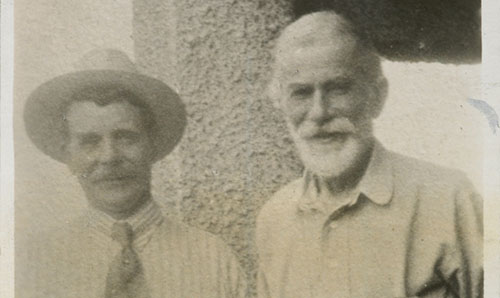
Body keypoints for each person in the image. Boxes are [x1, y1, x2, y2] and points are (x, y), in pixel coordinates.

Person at [256, 11, 482, 298]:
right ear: (280, 103)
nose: (319, 112)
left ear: (377, 97)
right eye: (300, 93)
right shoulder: (275, 219)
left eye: (338, 89)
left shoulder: (449, 199)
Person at [19, 49, 246, 298]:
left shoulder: (213, 259)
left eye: (126, 137)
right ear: (68, 155)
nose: (109, 157)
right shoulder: (35, 265)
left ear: (152, 144)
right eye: (90, 142)